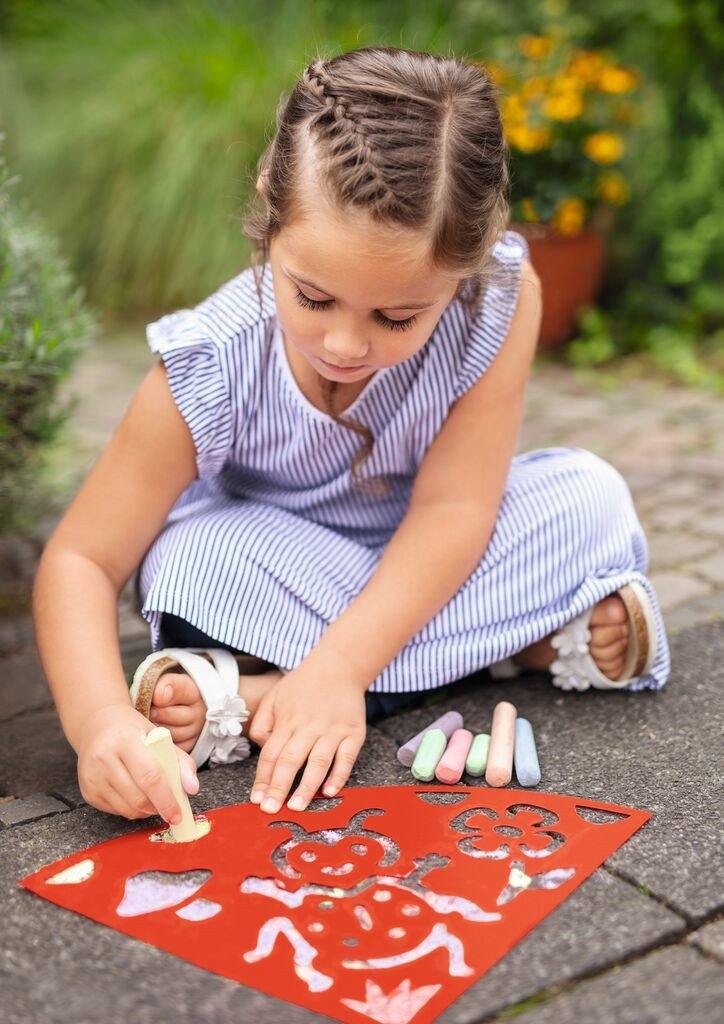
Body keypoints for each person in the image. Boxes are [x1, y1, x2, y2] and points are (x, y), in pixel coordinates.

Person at [32, 46, 670, 829]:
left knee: (588, 498)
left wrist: (339, 668)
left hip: (432, 559)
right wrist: (97, 722)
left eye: (397, 317)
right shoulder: (211, 360)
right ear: (272, 210)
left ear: (463, 271)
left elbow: (456, 511)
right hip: (287, 569)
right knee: (190, 560)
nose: (343, 344)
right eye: (312, 296)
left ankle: (251, 698)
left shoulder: (498, 300)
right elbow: (81, 559)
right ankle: (512, 649)